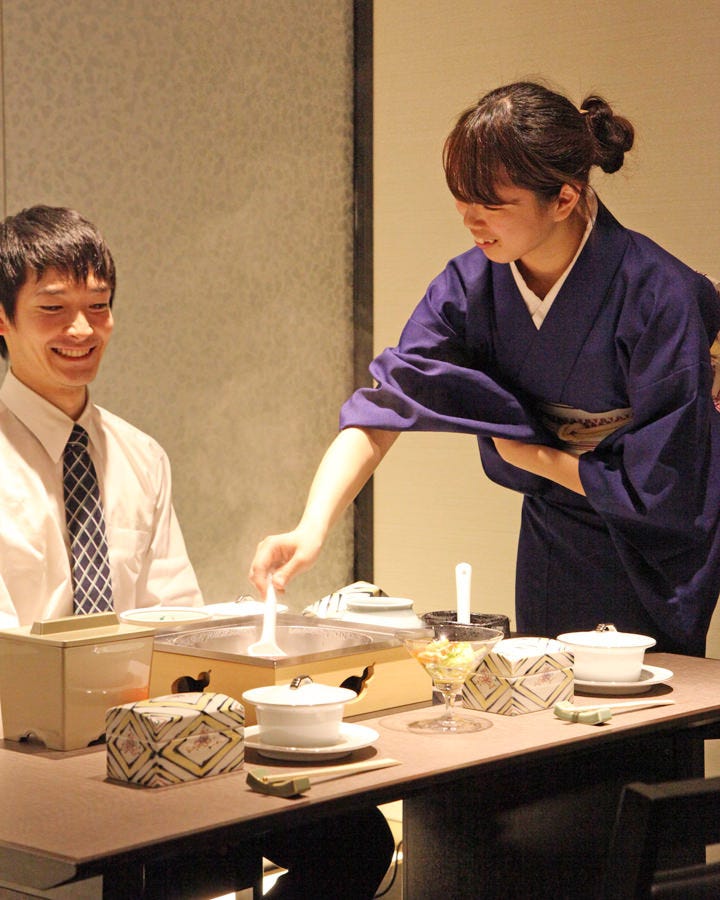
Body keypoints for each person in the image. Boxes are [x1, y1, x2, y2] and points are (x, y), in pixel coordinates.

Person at [0, 205, 393, 899]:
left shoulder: (139, 455)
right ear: (3, 321)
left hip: (149, 742)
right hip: (27, 757)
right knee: (151, 868)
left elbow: (174, 622)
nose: (82, 329)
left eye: (99, 307)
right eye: (53, 309)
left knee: (356, 837)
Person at [250, 81, 720, 658]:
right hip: (556, 531)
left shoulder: (660, 292)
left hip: (651, 548)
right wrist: (312, 526)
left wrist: (537, 457)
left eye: (492, 204)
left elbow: (668, 482)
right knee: (550, 707)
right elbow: (386, 404)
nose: (471, 221)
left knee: (643, 721)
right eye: (461, 199)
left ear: (565, 199)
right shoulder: (468, 289)